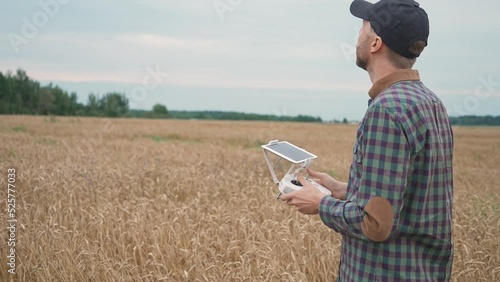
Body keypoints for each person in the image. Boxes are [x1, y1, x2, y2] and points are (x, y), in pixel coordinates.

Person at [280, 0, 454, 281]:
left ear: (375, 44)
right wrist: (340, 190)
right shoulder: (430, 102)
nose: (357, 35)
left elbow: (376, 224)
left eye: (363, 27)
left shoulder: (386, 110)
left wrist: (320, 203)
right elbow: (405, 199)